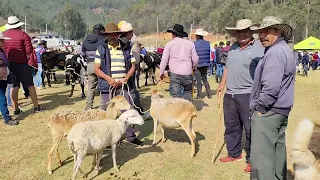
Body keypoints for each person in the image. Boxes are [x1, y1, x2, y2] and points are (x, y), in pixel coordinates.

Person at [249, 16, 296, 180]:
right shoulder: (284, 49)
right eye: (260, 32)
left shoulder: (275, 53)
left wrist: (260, 109)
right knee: (277, 153)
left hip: (269, 111)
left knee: (262, 158)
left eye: (266, 31)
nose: (262, 35)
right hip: (280, 110)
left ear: (278, 31)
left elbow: (271, 87)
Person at [216, 19, 265, 173]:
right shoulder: (233, 48)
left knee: (251, 128)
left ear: (251, 32)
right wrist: (222, 84)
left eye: (245, 31)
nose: (242, 34)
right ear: (235, 33)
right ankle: (234, 153)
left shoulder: (260, 47)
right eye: (239, 31)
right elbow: (227, 67)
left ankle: (253, 159)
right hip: (230, 93)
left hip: (249, 93)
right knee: (231, 126)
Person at [94, 22, 143, 146]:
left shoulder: (126, 48)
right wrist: (108, 79)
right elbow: (96, 69)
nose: (112, 37)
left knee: (127, 110)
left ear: (118, 35)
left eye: (114, 34)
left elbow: (133, 66)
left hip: (123, 85)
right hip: (107, 85)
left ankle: (130, 137)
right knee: (109, 113)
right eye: (109, 35)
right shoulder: (101, 48)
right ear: (106, 36)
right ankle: (109, 141)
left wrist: (126, 78)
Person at [3, 16, 44, 114]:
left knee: (14, 86)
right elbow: (29, 51)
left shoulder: (4, 35)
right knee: (30, 85)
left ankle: (16, 109)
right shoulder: (23, 35)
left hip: (9, 65)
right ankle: (36, 106)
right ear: (18, 25)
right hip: (22, 64)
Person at [159, 24, 199, 102]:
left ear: (173, 34)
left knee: (175, 95)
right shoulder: (190, 44)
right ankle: (187, 110)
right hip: (187, 72)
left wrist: (161, 72)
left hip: (175, 73)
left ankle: (177, 111)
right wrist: (194, 67)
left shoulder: (169, 44)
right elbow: (196, 59)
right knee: (188, 92)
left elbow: (164, 60)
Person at [118, 22, 146, 117]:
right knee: (132, 91)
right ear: (128, 32)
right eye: (131, 32)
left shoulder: (121, 41)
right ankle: (138, 111)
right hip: (128, 71)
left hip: (123, 71)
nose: (132, 34)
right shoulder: (127, 44)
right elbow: (133, 58)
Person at [82, 24, 106, 110]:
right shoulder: (103, 40)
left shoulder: (85, 41)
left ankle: (88, 106)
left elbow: (83, 54)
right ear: (101, 31)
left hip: (90, 65)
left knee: (90, 87)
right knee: (103, 86)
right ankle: (102, 107)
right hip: (100, 66)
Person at [0, 31, 18, 125]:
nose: (3, 42)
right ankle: (7, 118)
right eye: (1, 40)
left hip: (3, 78)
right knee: (2, 98)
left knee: (2, 97)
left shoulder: (1, 51)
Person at [193, 28, 212, 99]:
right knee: (205, 79)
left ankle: (199, 95)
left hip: (198, 65)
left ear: (198, 36)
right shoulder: (208, 43)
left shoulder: (194, 44)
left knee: (198, 80)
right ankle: (209, 94)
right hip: (206, 64)